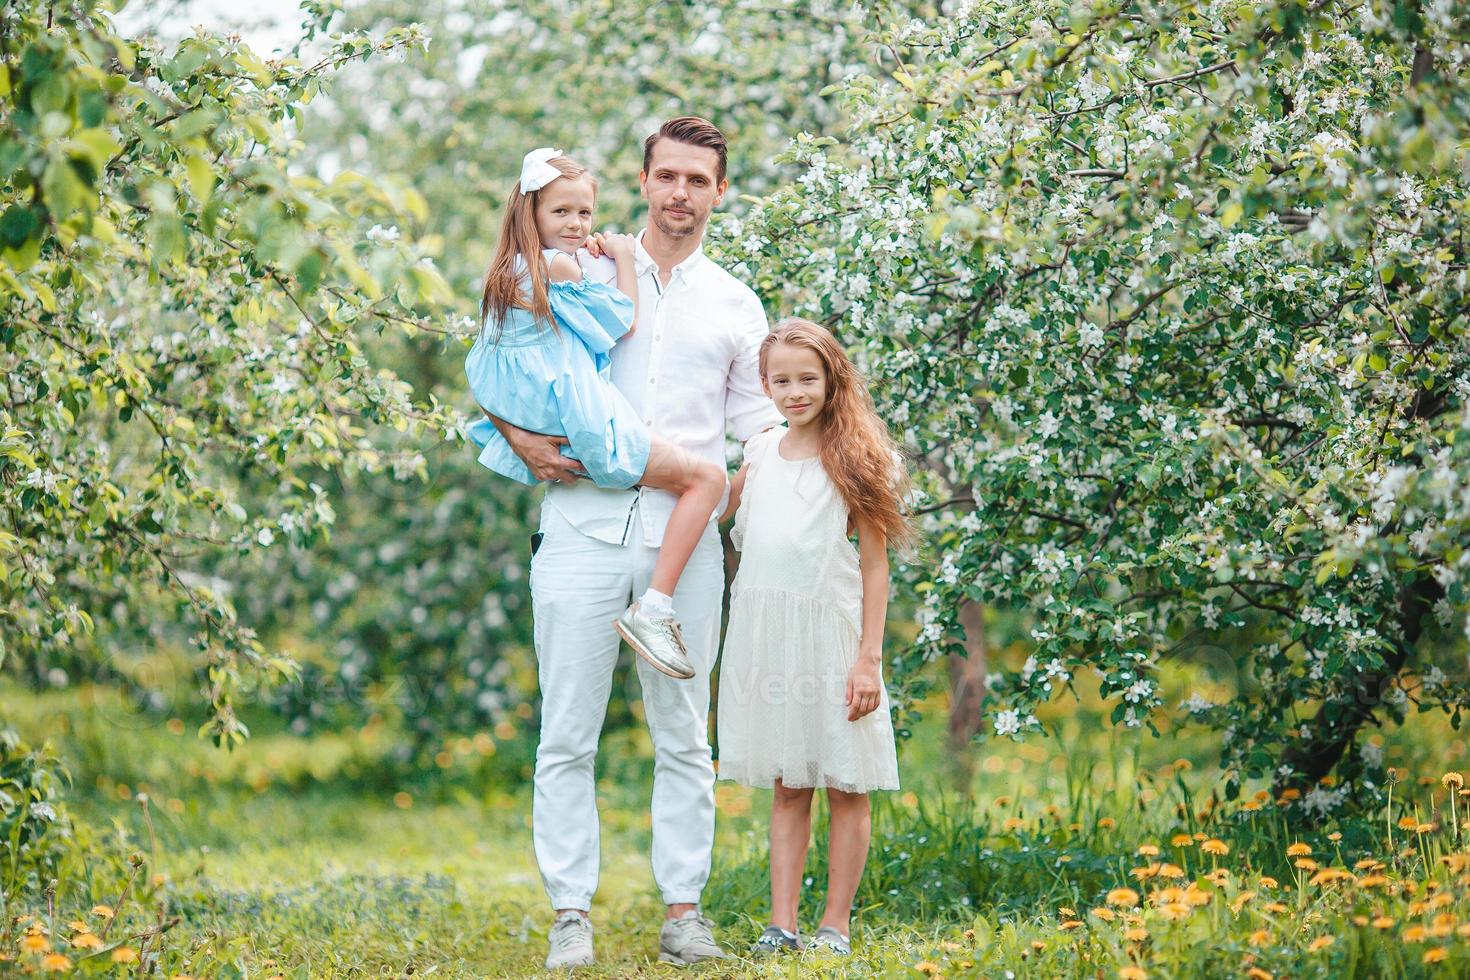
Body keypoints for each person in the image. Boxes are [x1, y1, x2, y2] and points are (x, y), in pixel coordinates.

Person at [478, 118, 783, 970]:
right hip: (578, 530)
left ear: (720, 192)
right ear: (644, 181)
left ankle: (683, 912)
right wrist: (518, 438)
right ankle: (569, 913)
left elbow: (757, 429)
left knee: (685, 736)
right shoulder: (575, 270)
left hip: (681, 546)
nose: (681, 193)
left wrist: (758, 522)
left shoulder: (735, 303)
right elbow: (502, 355)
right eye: (668, 176)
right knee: (566, 734)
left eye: (698, 180)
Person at [465, 147, 729, 680]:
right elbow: (618, 323)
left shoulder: (507, 274)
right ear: (531, 213)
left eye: (584, 213)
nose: (577, 223)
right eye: (561, 212)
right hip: (586, 427)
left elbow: (487, 371)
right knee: (709, 478)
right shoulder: (558, 266)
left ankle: (654, 605)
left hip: (550, 423)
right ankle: (654, 609)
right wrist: (625, 259)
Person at [716, 317, 912, 958]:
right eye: (781, 380)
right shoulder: (760, 453)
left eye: (808, 378)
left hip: (833, 637)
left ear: (832, 378)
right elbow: (720, 514)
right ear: (765, 385)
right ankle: (783, 924)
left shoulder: (857, 457)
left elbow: (875, 565)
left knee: (846, 782)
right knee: (788, 782)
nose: (795, 391)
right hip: (769, 639)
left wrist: (868, 660)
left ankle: (836, 925)